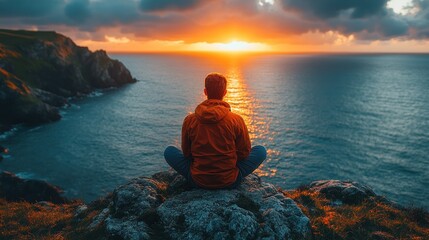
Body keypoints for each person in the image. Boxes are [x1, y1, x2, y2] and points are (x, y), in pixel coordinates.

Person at [164, 73, 266, 189]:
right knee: (260, 150)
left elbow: (187, 153)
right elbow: (244, 153)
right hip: (230, 181)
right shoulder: (236, 119)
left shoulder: (190, 120)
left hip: (198, 180)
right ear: (224, 93)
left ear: (205, 92)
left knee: (169, 151)